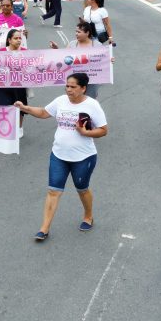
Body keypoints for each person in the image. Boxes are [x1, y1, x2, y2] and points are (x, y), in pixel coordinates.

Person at [14, 73, 108, 242]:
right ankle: (44, 228)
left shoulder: (92, 105)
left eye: (73, 87)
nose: (68, 89)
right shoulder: (60, 101)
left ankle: (88, 216)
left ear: (83, 88)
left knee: (82, 189)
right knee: (53, 191)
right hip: (59, 155)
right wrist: (24, 108)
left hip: (84, 157)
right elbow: (44, 112)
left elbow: (103, 130)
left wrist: (86, 132)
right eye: (67, 86)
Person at [48, 22, 114, 99]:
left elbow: (104, 59)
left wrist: (110, 60)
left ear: (87, 33)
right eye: (76, 31)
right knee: (74, 100)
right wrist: (56, 49)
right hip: (75, 81)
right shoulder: (72, 44)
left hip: (91, 82)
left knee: (89, 101)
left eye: (79, 32)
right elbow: (64, 59)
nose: (76, 34)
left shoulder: (97, 45)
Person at [0, 29, 29, 138]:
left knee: (20, 107)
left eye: (20, 38)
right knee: (3, 107)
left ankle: (19, 127)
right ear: (9, 40)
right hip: (3, 86)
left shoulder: (25, 52)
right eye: (16, 38)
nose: (18, 40)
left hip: (19, 85)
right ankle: (6, 127)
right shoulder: (1, 51)